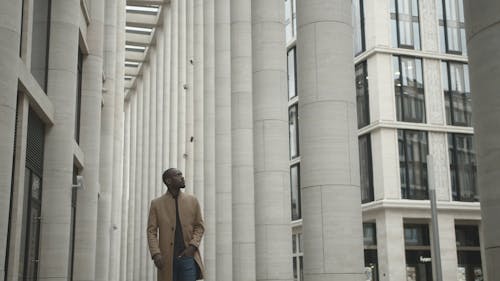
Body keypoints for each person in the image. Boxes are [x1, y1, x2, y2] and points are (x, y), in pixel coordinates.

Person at [147, 168, 205, 281]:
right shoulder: (156, 204)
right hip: (166, 259)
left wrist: (193, 246)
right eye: (178, 175)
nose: (182, 177)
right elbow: (151, 232)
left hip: (188, 257)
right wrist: (156, 254)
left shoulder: (192, 201)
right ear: (168, 181)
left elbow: (199, 226)